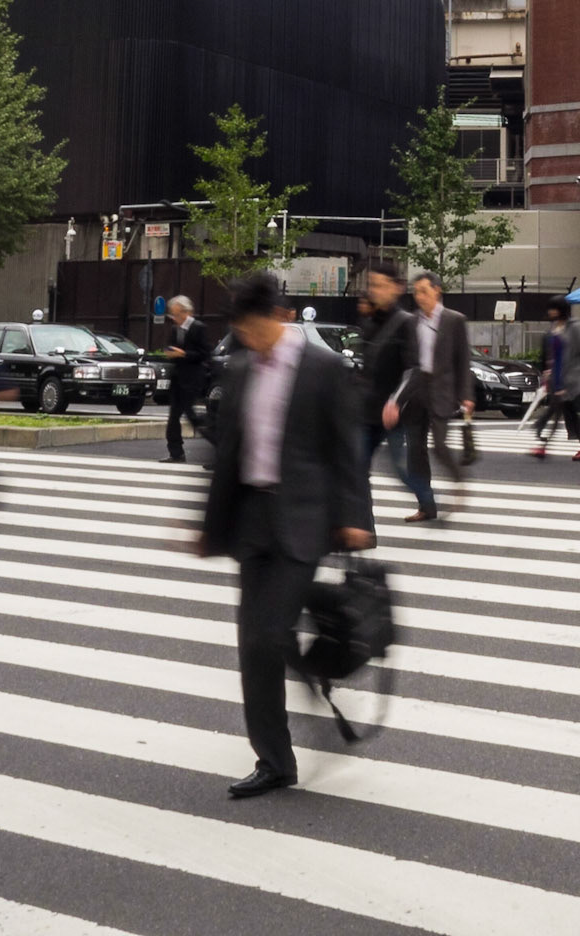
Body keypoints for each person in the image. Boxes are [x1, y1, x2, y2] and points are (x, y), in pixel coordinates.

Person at [199, 271, 372, 797]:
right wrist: (207, 526)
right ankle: (274, 760)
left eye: (256, 329)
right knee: (254, 644)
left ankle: (301, 663)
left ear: (280, 317)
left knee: (268, 635)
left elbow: (348, 450)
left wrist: (357, 518)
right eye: (242, 333)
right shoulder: (242, 368)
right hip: (252, 521)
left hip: (303, 520)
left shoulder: (324, 369)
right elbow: (226, 451)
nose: (250, 340)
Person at [386, 271, 473, 523]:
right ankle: (426, 505)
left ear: (437, 290)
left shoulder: (455, 320)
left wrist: (466, 395)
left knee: (440, 446)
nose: (419, 296)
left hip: (443, 391)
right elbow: (409, 364)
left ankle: (458, 482)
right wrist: (396, 399)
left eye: (424, 291)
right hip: (416, 390)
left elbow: (463, 360)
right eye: (416, 292)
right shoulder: (412, 321)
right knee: (415, 449)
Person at [358, 261, 431, 511]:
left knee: (399, 469)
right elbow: (365, 369)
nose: (374, 290)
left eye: (380, 285)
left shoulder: (405, 322)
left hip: (391, 413)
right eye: (371, 285)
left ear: (396, 288)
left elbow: (413, 368)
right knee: (357, 469)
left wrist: (395, 401)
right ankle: (362, 527)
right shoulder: (369, 324)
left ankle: (428, 501)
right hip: (367, 411)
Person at [530, 297, 580, 459]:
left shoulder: (575, 327)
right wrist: (547, 372)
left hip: (569, 378)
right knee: (569, 414)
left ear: (562, 309)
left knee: (557, 411)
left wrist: (570, 379)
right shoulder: (553, 328)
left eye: (554, 308)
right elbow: (551, 354)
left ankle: (543, 444)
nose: (550, 312)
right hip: (555, 375)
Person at [160, 294, 214, 464]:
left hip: (192, 378)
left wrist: (184, 354)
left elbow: (205, 353)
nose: (174, 318)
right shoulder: (175, 329)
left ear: (186, 312)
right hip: (178, 378)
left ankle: (218, 443)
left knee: (192, 416)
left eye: (176, 314)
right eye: (172, 315)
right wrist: (170, 353)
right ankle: (176, 452)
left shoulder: (198, 328)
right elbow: (171, 347)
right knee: (173, 416)